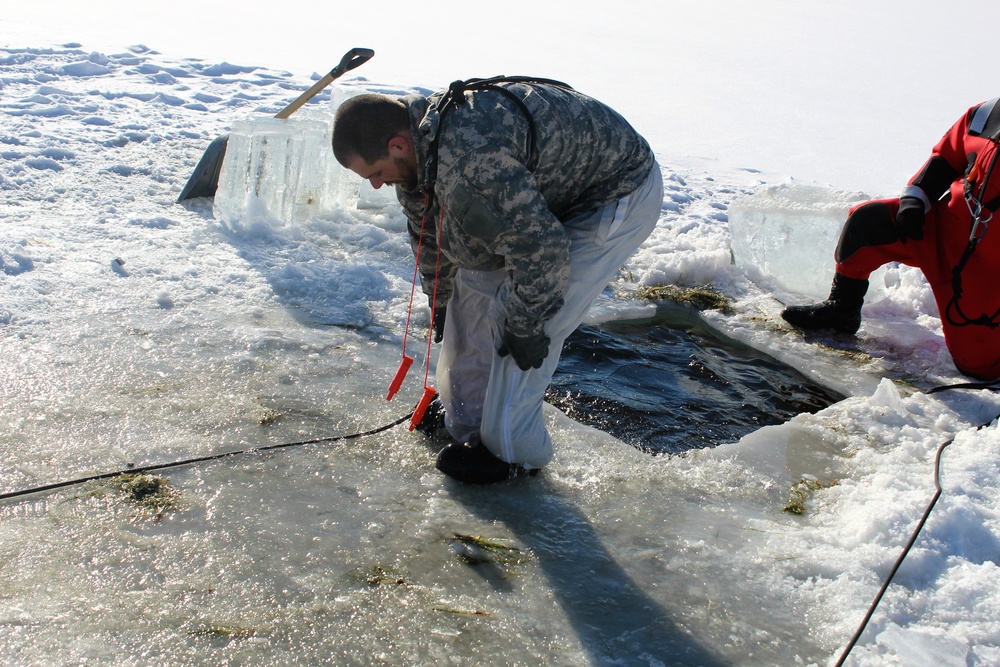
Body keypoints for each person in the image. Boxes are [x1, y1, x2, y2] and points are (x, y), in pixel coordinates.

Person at [332, 76, 663, 484]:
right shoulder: (420, 155)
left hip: (616, 194)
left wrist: (525, 322)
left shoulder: (471, 161)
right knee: (466, 300)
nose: (377, 184)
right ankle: (466, 422)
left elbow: (541, 249)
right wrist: (441, 301)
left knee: (522, 330)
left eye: (376, 172)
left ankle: (515, 456)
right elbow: (429, 232)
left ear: (397, 145)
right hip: (539, 194)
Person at [782, 96, 1000, 382]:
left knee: (977, 366)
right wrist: (916, 198)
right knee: (867, 223)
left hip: (987, 272)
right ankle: (842, 310)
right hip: (943, 231)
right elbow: (946, 158)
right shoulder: (985, 113)